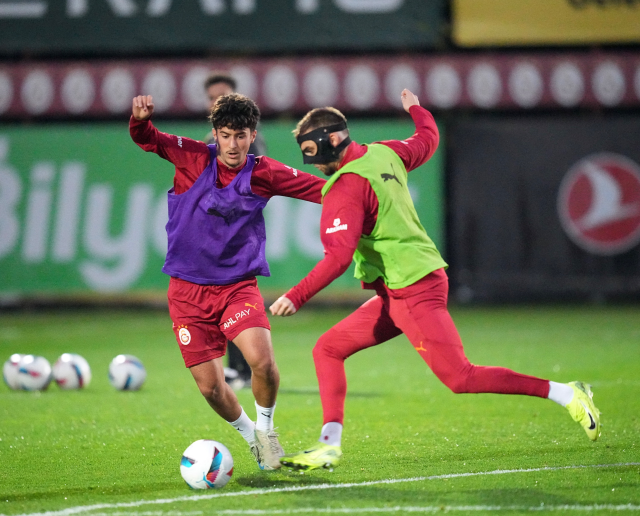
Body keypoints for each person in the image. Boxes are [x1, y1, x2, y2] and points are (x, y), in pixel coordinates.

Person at [269, 89, 601, 471]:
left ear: (329, 142)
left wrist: (297, 294)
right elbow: (428, 138)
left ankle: (566, 393)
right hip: (404, 286)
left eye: (311, 153)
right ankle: (329, 444)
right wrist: (416, 108)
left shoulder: (345, 186)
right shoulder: (383, 152)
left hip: (412, 288)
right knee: (327, 348)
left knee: (460, 377)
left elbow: (339, 257)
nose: (313, 165)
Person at [130, 92, 326, 470]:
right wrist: (139, 120)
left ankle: (267, 433)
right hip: (186, 292)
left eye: (241, 135)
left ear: (253, 136)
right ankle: (250, 435)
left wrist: (361, 187)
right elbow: (148, 138)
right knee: (211, 388)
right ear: (215, 134)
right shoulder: (191, 156)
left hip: (237, 287)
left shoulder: (264, 171)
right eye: (225, 135)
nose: (233, 145)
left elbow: (321, 191)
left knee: (262, 363)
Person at [203, 72, 267, 390]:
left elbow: (261, 179)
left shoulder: (249, 142)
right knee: (219, 306)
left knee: (238, 301)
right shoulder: (204, 148)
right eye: (213, 96)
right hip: (210, 242)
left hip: (239, 238)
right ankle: (236, 369)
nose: (217, 99)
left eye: (223, 94)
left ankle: (244, 369)